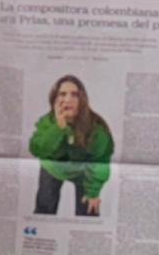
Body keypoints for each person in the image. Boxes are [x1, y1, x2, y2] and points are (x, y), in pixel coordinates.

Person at [30, 75, 112, 216]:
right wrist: (58, 127)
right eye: (62, 94)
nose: (68, 99)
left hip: (83, 171)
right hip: (54, 167)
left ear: (82, 99)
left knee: (88, 213)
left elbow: (100, 161)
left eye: (75, 95)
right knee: (44, 209)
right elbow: (37, 149)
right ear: (55, 99)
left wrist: (93, 192)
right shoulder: (48, 121)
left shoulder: (97, 128)